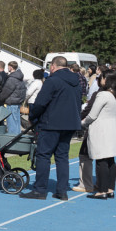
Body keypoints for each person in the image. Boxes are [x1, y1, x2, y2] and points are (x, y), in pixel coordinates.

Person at [21, 55, 82, 200]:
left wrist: (32, 115)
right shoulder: (76, 81)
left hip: (51, 124)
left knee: (44, 155)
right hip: (69, 124)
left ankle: (40, 190)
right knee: (62, 157)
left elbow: (41, 103)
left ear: (53, 66)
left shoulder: (52, 80)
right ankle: (62, 191)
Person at [82, 73, 116, 200]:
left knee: (101, 160)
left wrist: (83, 122)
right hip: (112, 127)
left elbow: (92, 115)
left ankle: (102, 190)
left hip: (101, 129)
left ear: (106, 80)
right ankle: (110, 188)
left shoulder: (103, 95)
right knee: (110, 160)